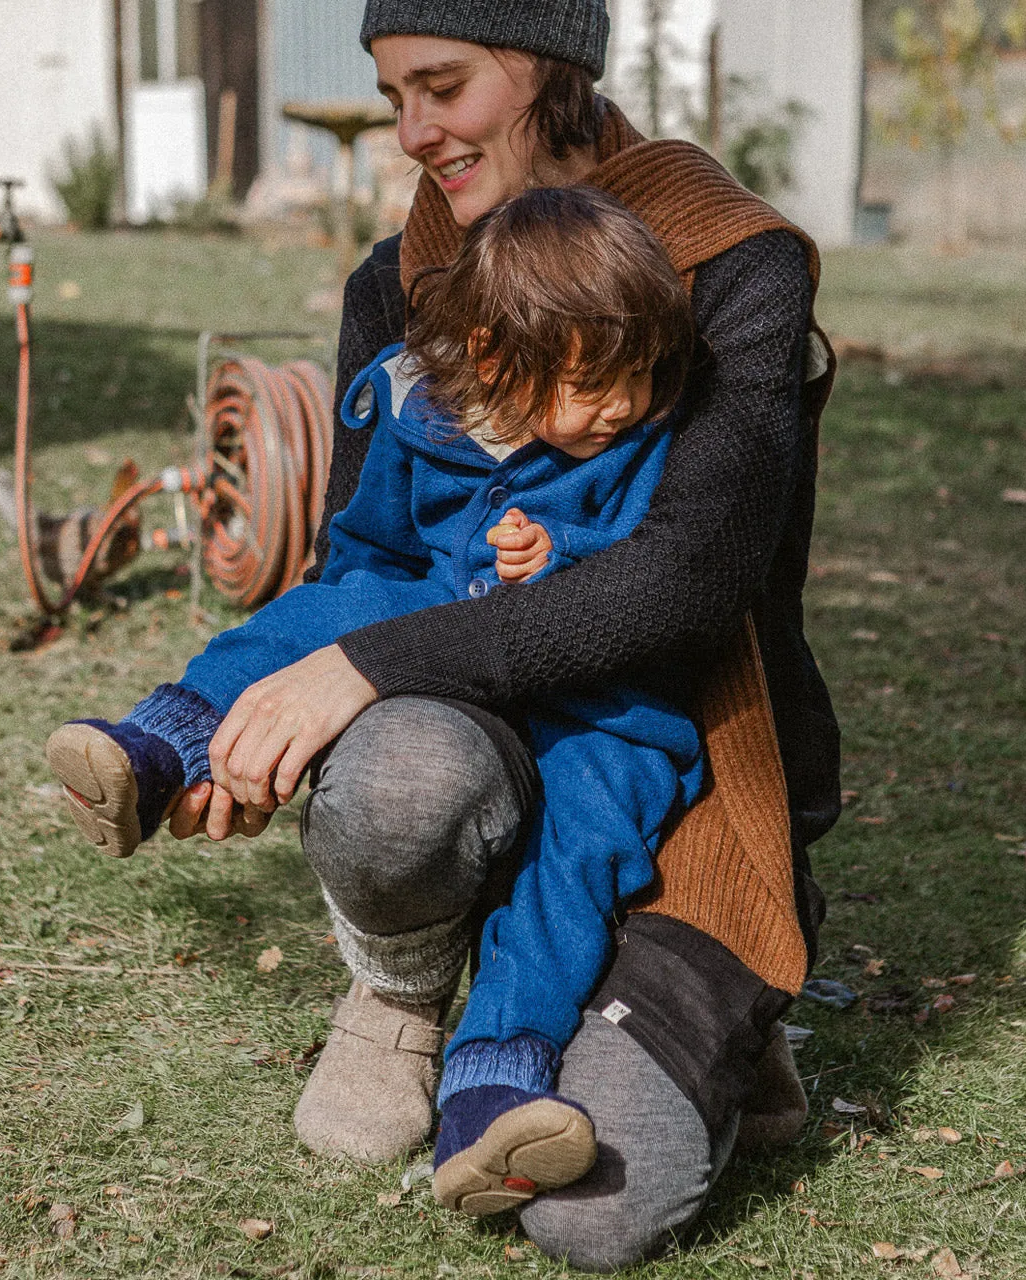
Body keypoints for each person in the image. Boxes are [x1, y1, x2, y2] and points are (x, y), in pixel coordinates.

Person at [163, 1, 841, 1269]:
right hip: (481, 710)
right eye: (393, 97)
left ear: (547, 65)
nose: (412, 131)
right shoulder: (399, 279)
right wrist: (249, 722)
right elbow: (370, 555)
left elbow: (682, 585)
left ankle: (717, 1010)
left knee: (596, 1208)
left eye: (442, 86)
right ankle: (403, 981)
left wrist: (357, 664)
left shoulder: (736, 261)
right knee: (399, 769)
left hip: (677, 743)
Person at [47, 186, 708, 1212]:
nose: (620, 405)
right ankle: (161, 744)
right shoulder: (417, 404)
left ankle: (494, 1090)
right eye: (591, 385)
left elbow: (671, 567)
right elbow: (373, 545)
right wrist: (343, 627)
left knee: (571, 863)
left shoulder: (640, 432)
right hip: (434, 624)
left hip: (600, 703)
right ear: (492, 357)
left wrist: (567, 553)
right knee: (317, 612)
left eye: (636, 378)